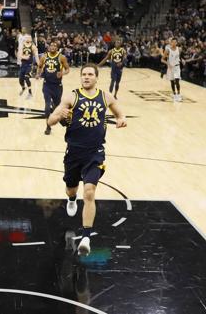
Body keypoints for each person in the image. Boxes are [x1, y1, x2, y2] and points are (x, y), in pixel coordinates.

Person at [47, 63, 127, 256]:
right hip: (74, 152)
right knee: (71, 188)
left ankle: (86, 237)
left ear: (96, 77)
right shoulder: (71, 96)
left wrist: (121, 118)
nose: (86, 77)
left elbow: (118, 111)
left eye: (90, 74)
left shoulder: (105, 96)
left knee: (89, 192)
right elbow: (49, 120)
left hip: (95, 152)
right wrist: (59, 116)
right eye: (84, 74)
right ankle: (72, 199)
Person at [37, 40, 70, 135]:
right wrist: (38, 74)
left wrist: (62, 73)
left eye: (55, 46)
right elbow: (39, 67)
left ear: (57, 48)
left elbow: (68, 69)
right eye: (51, 45)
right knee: (47, 107)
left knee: (58, 106)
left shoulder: (61, 57)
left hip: (57, 86)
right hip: (47, 85)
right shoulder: (44, 56)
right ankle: (48, 126)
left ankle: (63, 120)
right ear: (48, 47)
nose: (52, 47)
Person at [17, 34, 38, 99]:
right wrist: (24, 57)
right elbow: (19, 55)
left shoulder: (33, 46)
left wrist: (39, 65)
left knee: (26, 77)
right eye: (26, 38)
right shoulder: (22, 45)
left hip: (29, 65)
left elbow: (36, 57)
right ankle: (23, 88)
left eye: (29, 37)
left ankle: (30, 93)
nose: (28, 39)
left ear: (31, 39)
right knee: (20, 80)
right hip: (23, 65)